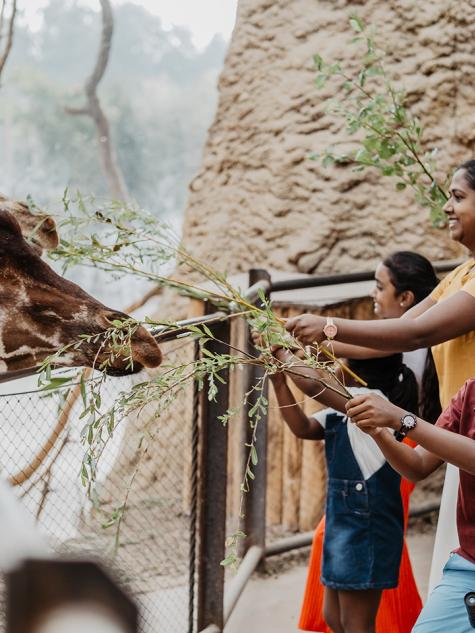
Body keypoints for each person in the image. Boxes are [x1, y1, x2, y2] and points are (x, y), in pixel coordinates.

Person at [285, 159, 475, 588]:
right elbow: (399, 336)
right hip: (461, 440)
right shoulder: (463, 274)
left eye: (458, 197)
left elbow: (414, 332)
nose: (447, 207)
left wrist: (328, 327)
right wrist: (308, 342)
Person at [298, 251, 440, 633]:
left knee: (370, 535)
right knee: (363, 538)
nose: (374, 296)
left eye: (380, 287)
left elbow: (341, 352)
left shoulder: (403, 338)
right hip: (389, 445)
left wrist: (313, 338)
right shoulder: (407, 329)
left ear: (406, 298)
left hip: (394, 450)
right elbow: (339, 348)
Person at [264, 337, 419, 633]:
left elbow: (313, 385)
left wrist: (281, 351)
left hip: (366, 529)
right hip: (344, 526)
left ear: (357, 371)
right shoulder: (346, 403)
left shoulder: (372, 403)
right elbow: (304, 428)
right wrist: (279, 381)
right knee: (334, 618)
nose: (337, 367)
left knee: (355, 625)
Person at [345, 380, 475, 632]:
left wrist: (402, 419)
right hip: (469, 566)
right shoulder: (469, 392)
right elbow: (417, 464)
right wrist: (379, 433)